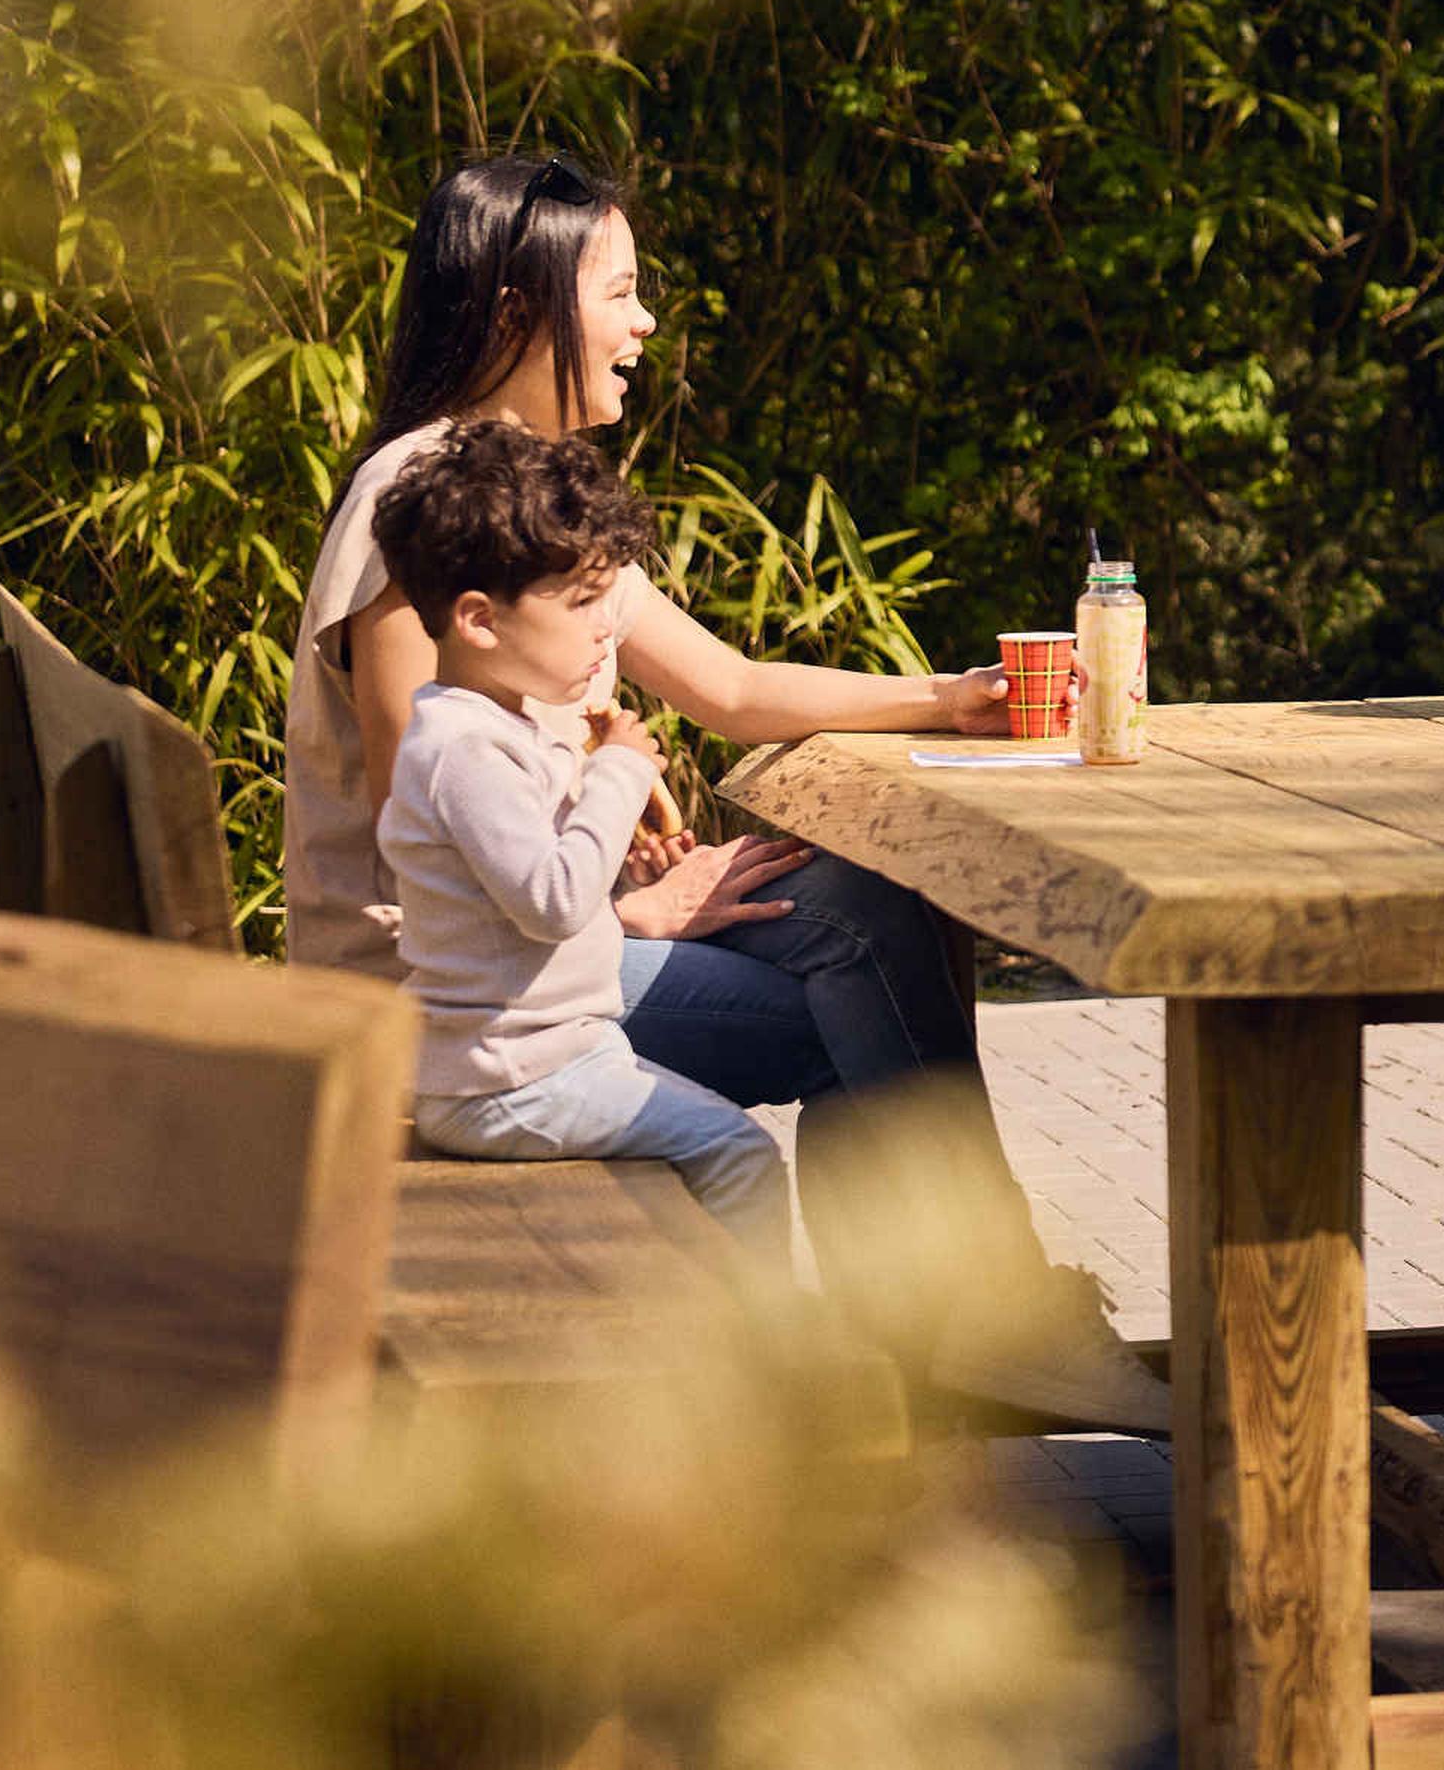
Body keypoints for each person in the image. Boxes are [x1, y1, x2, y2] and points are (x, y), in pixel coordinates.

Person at [282, 151, 1141, 1423]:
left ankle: (948, 1329)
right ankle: (946, 1333)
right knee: (871, 995)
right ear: (517, 314)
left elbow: (730, 690)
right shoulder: (428, 512)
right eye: (619, 294)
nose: (644, 325)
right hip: (441, 1009)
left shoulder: (531, 500)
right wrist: (620, 910)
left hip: (513, 970)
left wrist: (946, 696)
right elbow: (431, 792)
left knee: (868, 921)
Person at [373, 420, 793, 1256]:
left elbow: (531, 883)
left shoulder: (499, 724)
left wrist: (621, 868)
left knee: (714, 1138)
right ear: (480, 621)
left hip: (540, 1059)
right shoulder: (463, 749)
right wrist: (620, 773)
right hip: (510, 1081)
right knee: (740, 1155)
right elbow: (553, 903)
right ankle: (773, 1367)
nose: (606, 629)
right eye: (580, 604)